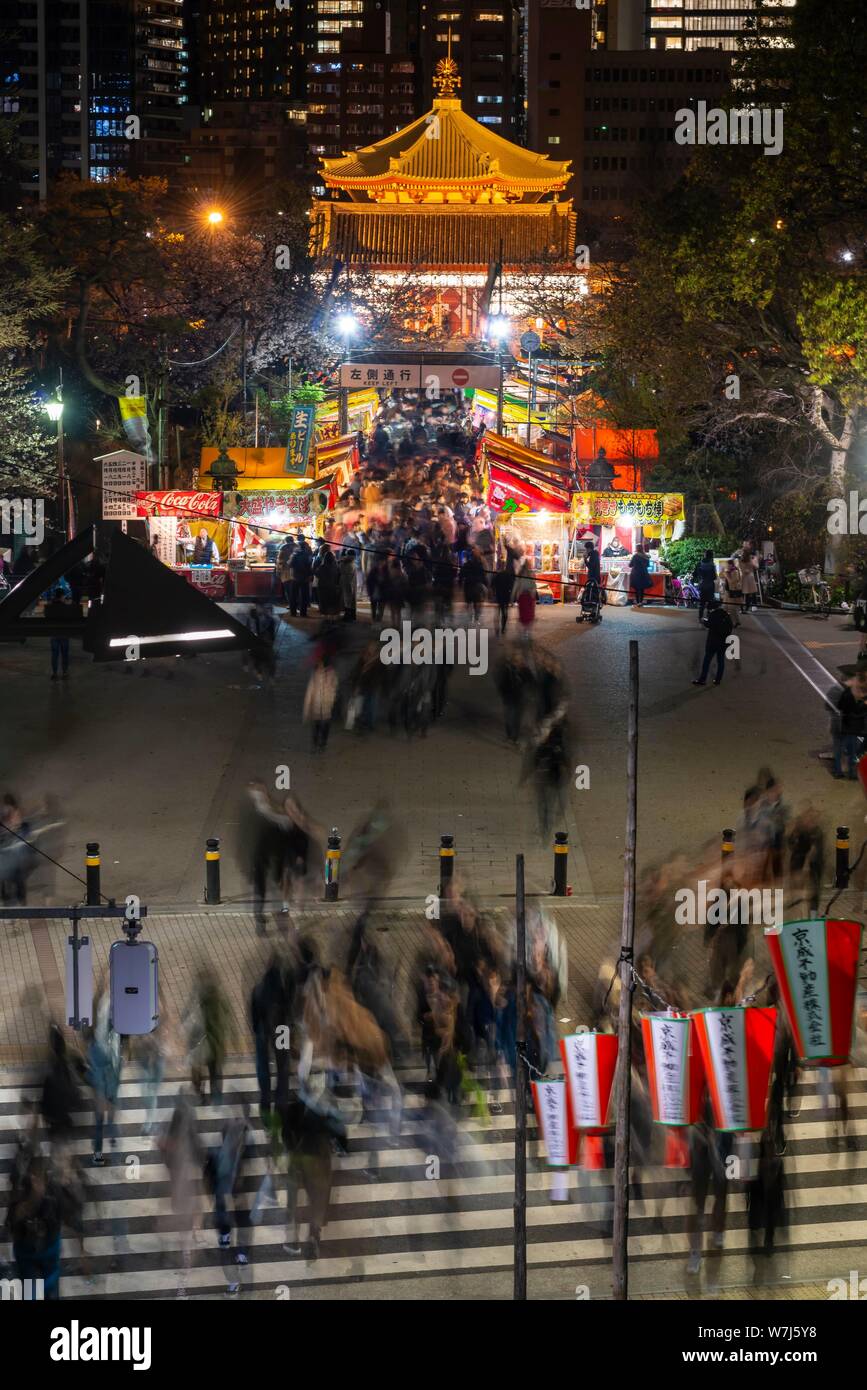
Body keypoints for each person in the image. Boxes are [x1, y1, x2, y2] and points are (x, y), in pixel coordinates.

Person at [692, 597, 734, 687]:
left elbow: (709, 624)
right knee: (720, 660)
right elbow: (730, 626)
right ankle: (718, 679)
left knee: (707, 660)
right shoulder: (726, 614)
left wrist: (703, 621)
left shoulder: (713, 615)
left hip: (713, 641)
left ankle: (702, 679)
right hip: (723, 642)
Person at [303, 655, 338, 753]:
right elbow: (309, 692)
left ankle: (322, 743)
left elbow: (334, 689)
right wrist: (306, 709)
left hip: (326, 707)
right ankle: (315, 744)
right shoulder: (315, 676)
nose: (320, 666)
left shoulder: (331, 675)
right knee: (316, 728)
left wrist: (331, 700)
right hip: (316, 708)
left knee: (325, 727)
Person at [832, 678, 865, 779]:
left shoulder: (845, 693)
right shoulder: (851, 695)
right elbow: (856, 712)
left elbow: (839, 707)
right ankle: (852, 773)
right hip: (852, 728)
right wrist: (864, 705)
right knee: (852, 752)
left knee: (840, 751)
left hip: (844, 726)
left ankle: (838, 772)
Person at [44, 587, 74, 680]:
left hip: (54, 633)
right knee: (64, 654)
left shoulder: (49, 606)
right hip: (64, 633)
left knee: (54, 655)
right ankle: (64, 673)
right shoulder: (65, 607)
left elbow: (46, 616)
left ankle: (55, 673)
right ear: (62, 596)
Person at [288, 537, 313, 616]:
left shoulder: (294, 555)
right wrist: (310, 575)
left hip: (295, 577)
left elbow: (290, 564)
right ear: (305, 547)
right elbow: (310, 566)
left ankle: (293, 612)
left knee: (293, 596)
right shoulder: (307, 555)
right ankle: (303, 613)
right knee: (304, 596)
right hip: (305, 578)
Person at [693, 549, 717, 622]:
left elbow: (694, 574)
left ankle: (700, 618)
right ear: (711, 556)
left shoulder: (699, 563)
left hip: (702, 585)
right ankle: (709, 618)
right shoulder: (712, 564)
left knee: (702, 603)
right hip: (710, 585)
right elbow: (714, 577)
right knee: (710, 602)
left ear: (705, 555)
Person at [514, 560, 537, 636]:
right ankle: (527, 631)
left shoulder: (520, 574)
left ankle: (524, 631)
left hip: (522, 597)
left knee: (523, 614)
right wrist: (533, 593)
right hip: (529, 597)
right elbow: (534, 585)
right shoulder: (531, 574)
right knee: (529, 615)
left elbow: (516, 586)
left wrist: (513, 596)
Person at [492, 562, 515, 635]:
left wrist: (493, 593)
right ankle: (503, 628)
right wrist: (511, 597)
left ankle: (498, 628)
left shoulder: (497, 575)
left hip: (499, 595)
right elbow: (511, 585)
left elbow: (493, 585)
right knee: (504, 612)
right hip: (506, 596)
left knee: (498, 612)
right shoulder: (508, 575)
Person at [277, 536, 296, 602]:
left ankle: (291, 604)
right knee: (295, 589)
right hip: (295, 571)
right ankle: (296, 603)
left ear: (286, 540)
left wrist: (278, 570)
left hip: (285, 571)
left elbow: (280, 560)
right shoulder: (297, 546)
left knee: (287, 588)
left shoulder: (283, 547)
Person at [740, 548, 759, 612]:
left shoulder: (741, 561)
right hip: (750, 577)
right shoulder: (750, 560)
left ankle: (743, 608)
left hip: (744, 577)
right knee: (749, 593)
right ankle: (748, 607)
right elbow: (756, 567)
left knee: (743, 593)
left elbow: (741, 569)